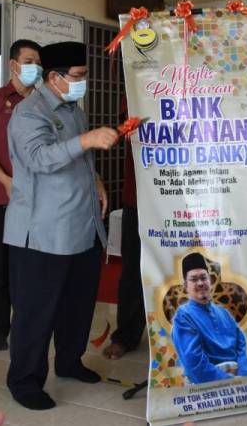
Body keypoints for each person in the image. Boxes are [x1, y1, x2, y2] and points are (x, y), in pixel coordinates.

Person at [4, 41, 119, 410]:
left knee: (77, 304)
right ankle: (24, 380)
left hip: (81, 225)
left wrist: (97, 180)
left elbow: (79, 159)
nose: (82, 82)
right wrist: (86, 140)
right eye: (78, 76)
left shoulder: (74, 109)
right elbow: (39, 158)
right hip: (43, 232)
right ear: (53, 77)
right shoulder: (27, 113)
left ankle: (69, 361)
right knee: (36, 312)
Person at [0, 39, 41, 351]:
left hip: (38, 198)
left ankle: (26, 323)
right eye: (29, 60)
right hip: (1, 197)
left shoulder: (44, 101)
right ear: (14, 65)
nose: (35, 67)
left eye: (38, 62)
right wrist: (4, 179)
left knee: (29, 265)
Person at [171, 252, 247, 384]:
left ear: (210, 280)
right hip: (208, 384)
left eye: (204, 277)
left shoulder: (224, 313)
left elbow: (241, 344)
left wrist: (244, 375)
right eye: (194, 279)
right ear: (186, 285)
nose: (200, 283)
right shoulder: (183, 317)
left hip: (238, 379)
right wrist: (230, 381)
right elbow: (194, 364)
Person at [102, 139, 145, 360]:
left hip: (180, 199)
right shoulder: (135, 103)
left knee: (186, 269)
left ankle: (185, 335)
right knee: (132, 272)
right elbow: (129, 130)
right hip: (139, 199)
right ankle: (125, 337)